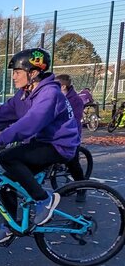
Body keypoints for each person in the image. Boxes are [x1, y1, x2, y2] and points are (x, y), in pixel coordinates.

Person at [0, 48, 80, 244]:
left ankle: (44, 199)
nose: (13, 76)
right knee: (6, 184)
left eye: (17, 72)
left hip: (59, 146)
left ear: (34, 73)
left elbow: (32, 122)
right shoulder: (24, 95)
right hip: (41, 143)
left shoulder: (50, 93)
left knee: (7, 157)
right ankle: (10, 226)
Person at [56, 74, 87, 202]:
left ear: (63, 86)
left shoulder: (76, 100)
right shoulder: (55, 97)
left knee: (72, 162)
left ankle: (82, 188)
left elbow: (73, 119)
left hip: (71, 136)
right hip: (55, 134)